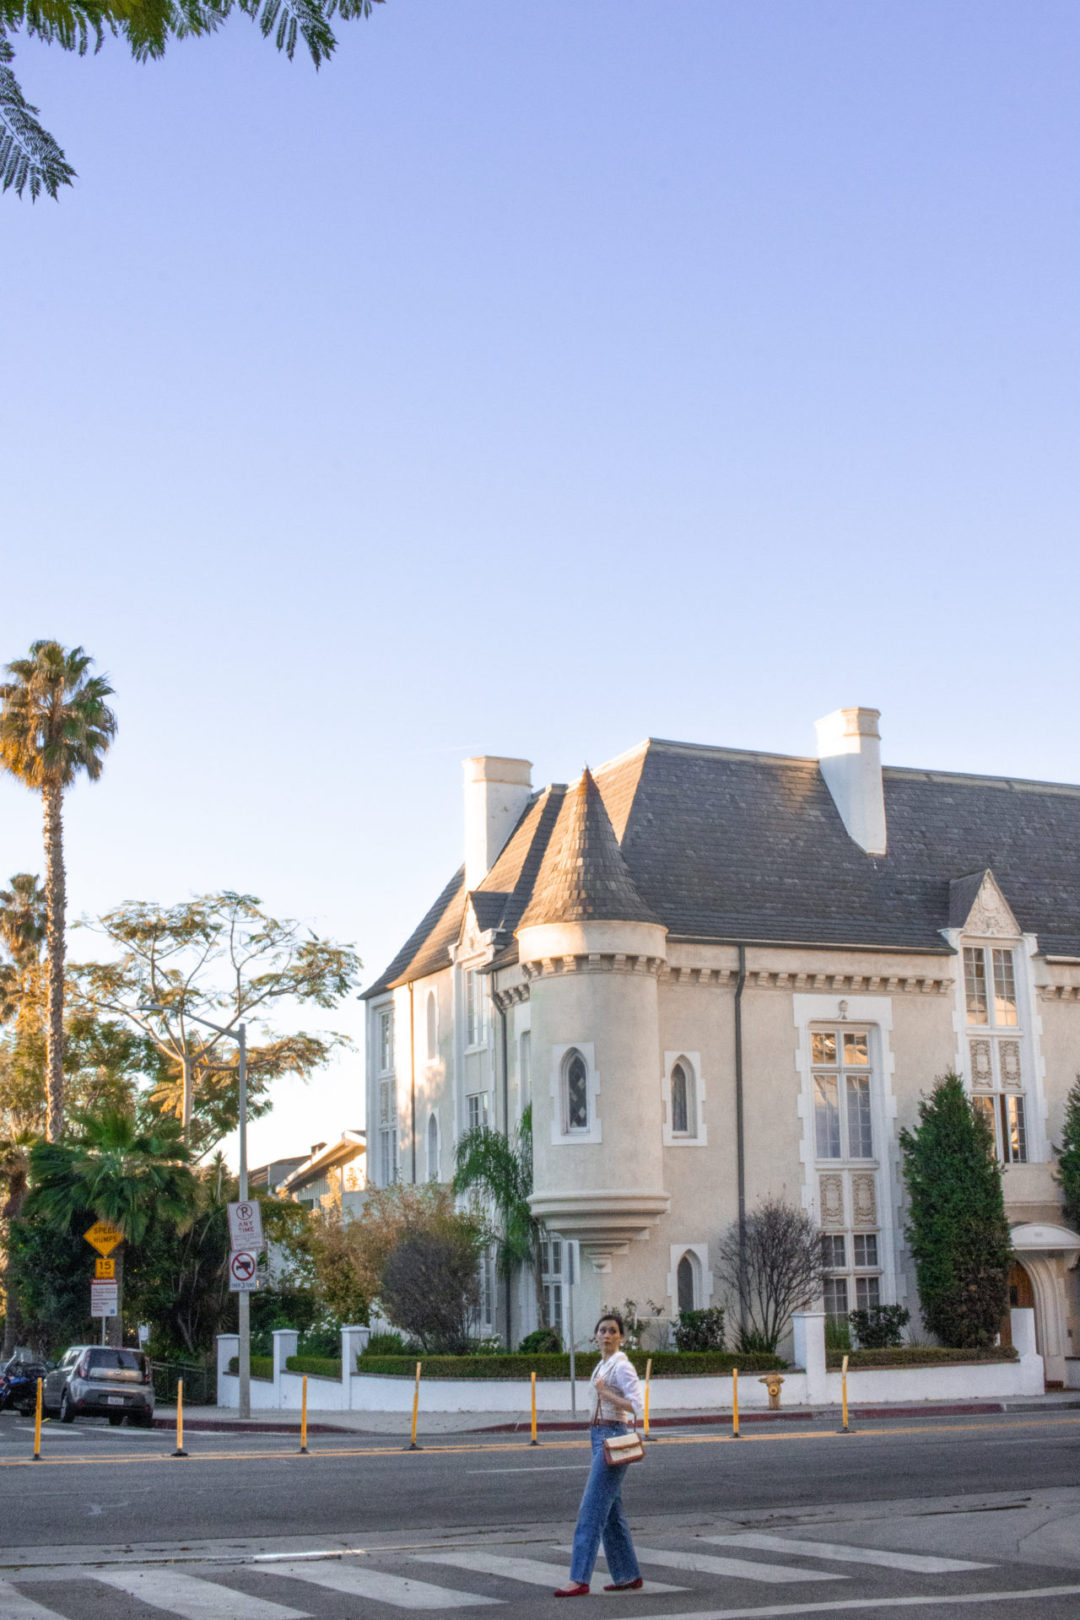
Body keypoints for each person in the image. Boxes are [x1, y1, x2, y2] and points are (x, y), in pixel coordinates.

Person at [554, 1311, 644, 1597]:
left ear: (622, 1337)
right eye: (602, 1330)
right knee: (612, 1512)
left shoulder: (621, 1366)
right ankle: (628, 1575)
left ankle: (579, 1578)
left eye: (613, 1331)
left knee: (591, 1510)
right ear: (596, 1336)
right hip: (598, 1436)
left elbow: (636, 1406)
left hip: (614, 1435)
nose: (607, 1335)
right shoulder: (602, 1365)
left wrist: (607, 1395)